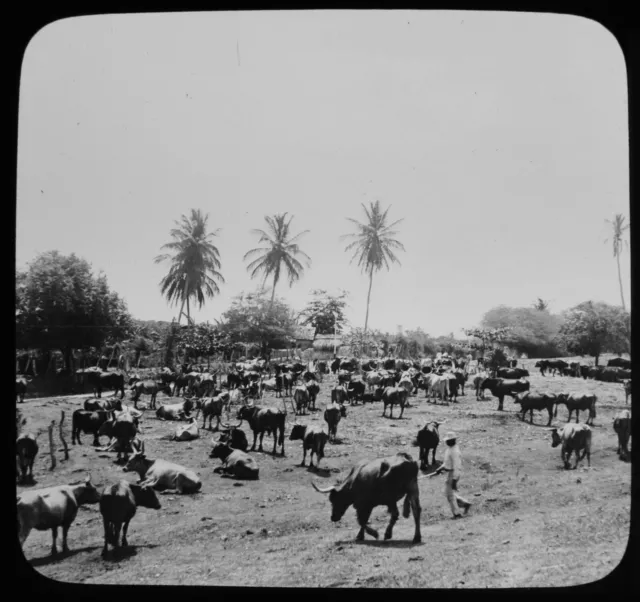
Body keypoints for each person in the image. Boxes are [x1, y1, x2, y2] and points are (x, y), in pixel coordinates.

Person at [431, 431, 472, 519]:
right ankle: (465, 504)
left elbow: (457, 466)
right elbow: (447, 462)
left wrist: (454, 479)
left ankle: (457, 514)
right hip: (450, 472)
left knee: (450, 494)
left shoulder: (455, 451)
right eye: (447, 440)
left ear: (454, 440)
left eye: (449, 440)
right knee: (448, 492)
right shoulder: (449, 449)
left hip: (453, 473)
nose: (447, 442)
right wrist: (440, 468)